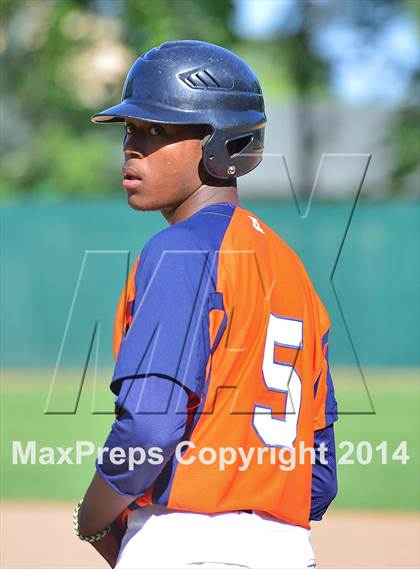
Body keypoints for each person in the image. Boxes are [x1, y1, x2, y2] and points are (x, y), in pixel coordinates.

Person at [75, 40, 338, 569]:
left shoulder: (179, 251)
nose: (133, 146)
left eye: (161, 131)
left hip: (183, 550)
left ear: (222, 145)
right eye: (132, 129)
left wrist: (91, 518)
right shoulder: (291, 272)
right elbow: (320, 476)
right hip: (289, 554)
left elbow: (148, 429)